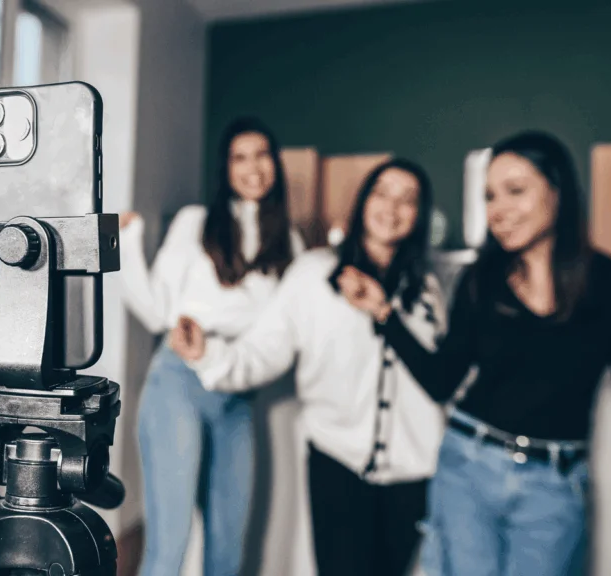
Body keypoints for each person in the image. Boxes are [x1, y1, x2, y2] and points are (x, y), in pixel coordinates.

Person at [336, 131, 611, 576]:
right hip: (467, 468)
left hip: (554, 487)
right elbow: (441, 380)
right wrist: (384, 313)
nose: (499, 210)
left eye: (516, 191)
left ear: (557, 191)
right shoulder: (481, 281)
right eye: (490, 196)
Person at [170, 159, 447, 576]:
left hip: (412, 474)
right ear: (363, 201)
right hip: (338, 463)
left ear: (419, 216)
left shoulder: (425, 289)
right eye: (382, 193)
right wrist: (206, 355)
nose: (392, 208)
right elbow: (264, 352)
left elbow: (439, 375)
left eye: (408, 200)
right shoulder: (313, 274)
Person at [118, 117, 304, 576]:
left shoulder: (290, 243)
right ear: (226, 168)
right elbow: (157, 310)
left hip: (239, 392)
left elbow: (280, 337)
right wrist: (126, 244)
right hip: (179, 378)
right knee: (170, 541)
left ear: (275, 165)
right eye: (240, 157)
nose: (253, 167)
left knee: (229, 544)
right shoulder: (194, 222)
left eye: (262, 155)